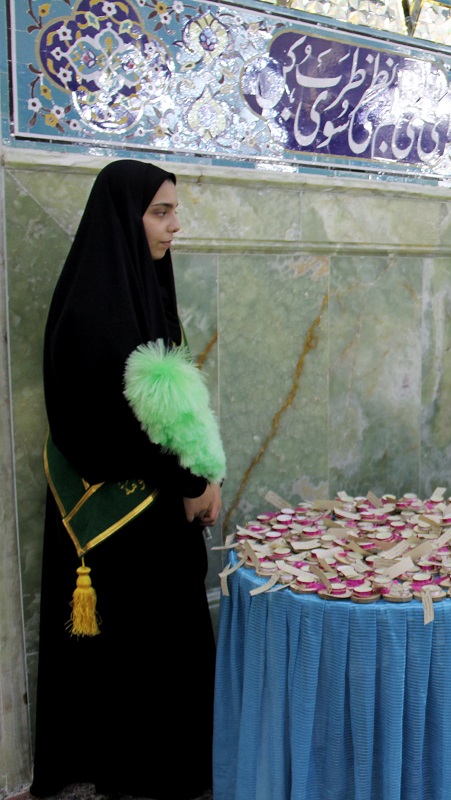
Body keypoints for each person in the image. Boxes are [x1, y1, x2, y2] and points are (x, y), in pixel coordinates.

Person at [33, 160, 225, 799]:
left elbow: (174, 410)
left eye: (174, 211)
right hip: (121, 533)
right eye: (160, 213)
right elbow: (113, 432)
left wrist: (200, 474)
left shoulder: (144, 292)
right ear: (125, 218)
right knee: (137, 668)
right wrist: (192, 483)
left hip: (153, 520)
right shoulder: (92, 312)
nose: (175, 226)